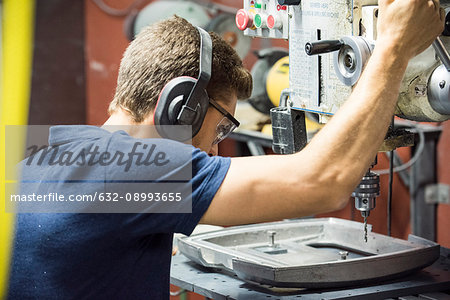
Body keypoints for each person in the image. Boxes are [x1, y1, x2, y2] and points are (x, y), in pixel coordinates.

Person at [7, 0, 444, 299]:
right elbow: (322, 182)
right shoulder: (137, 169)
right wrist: (393, 47)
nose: (214, 154)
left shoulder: (30, 146)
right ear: (182, 108)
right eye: (218, 130)